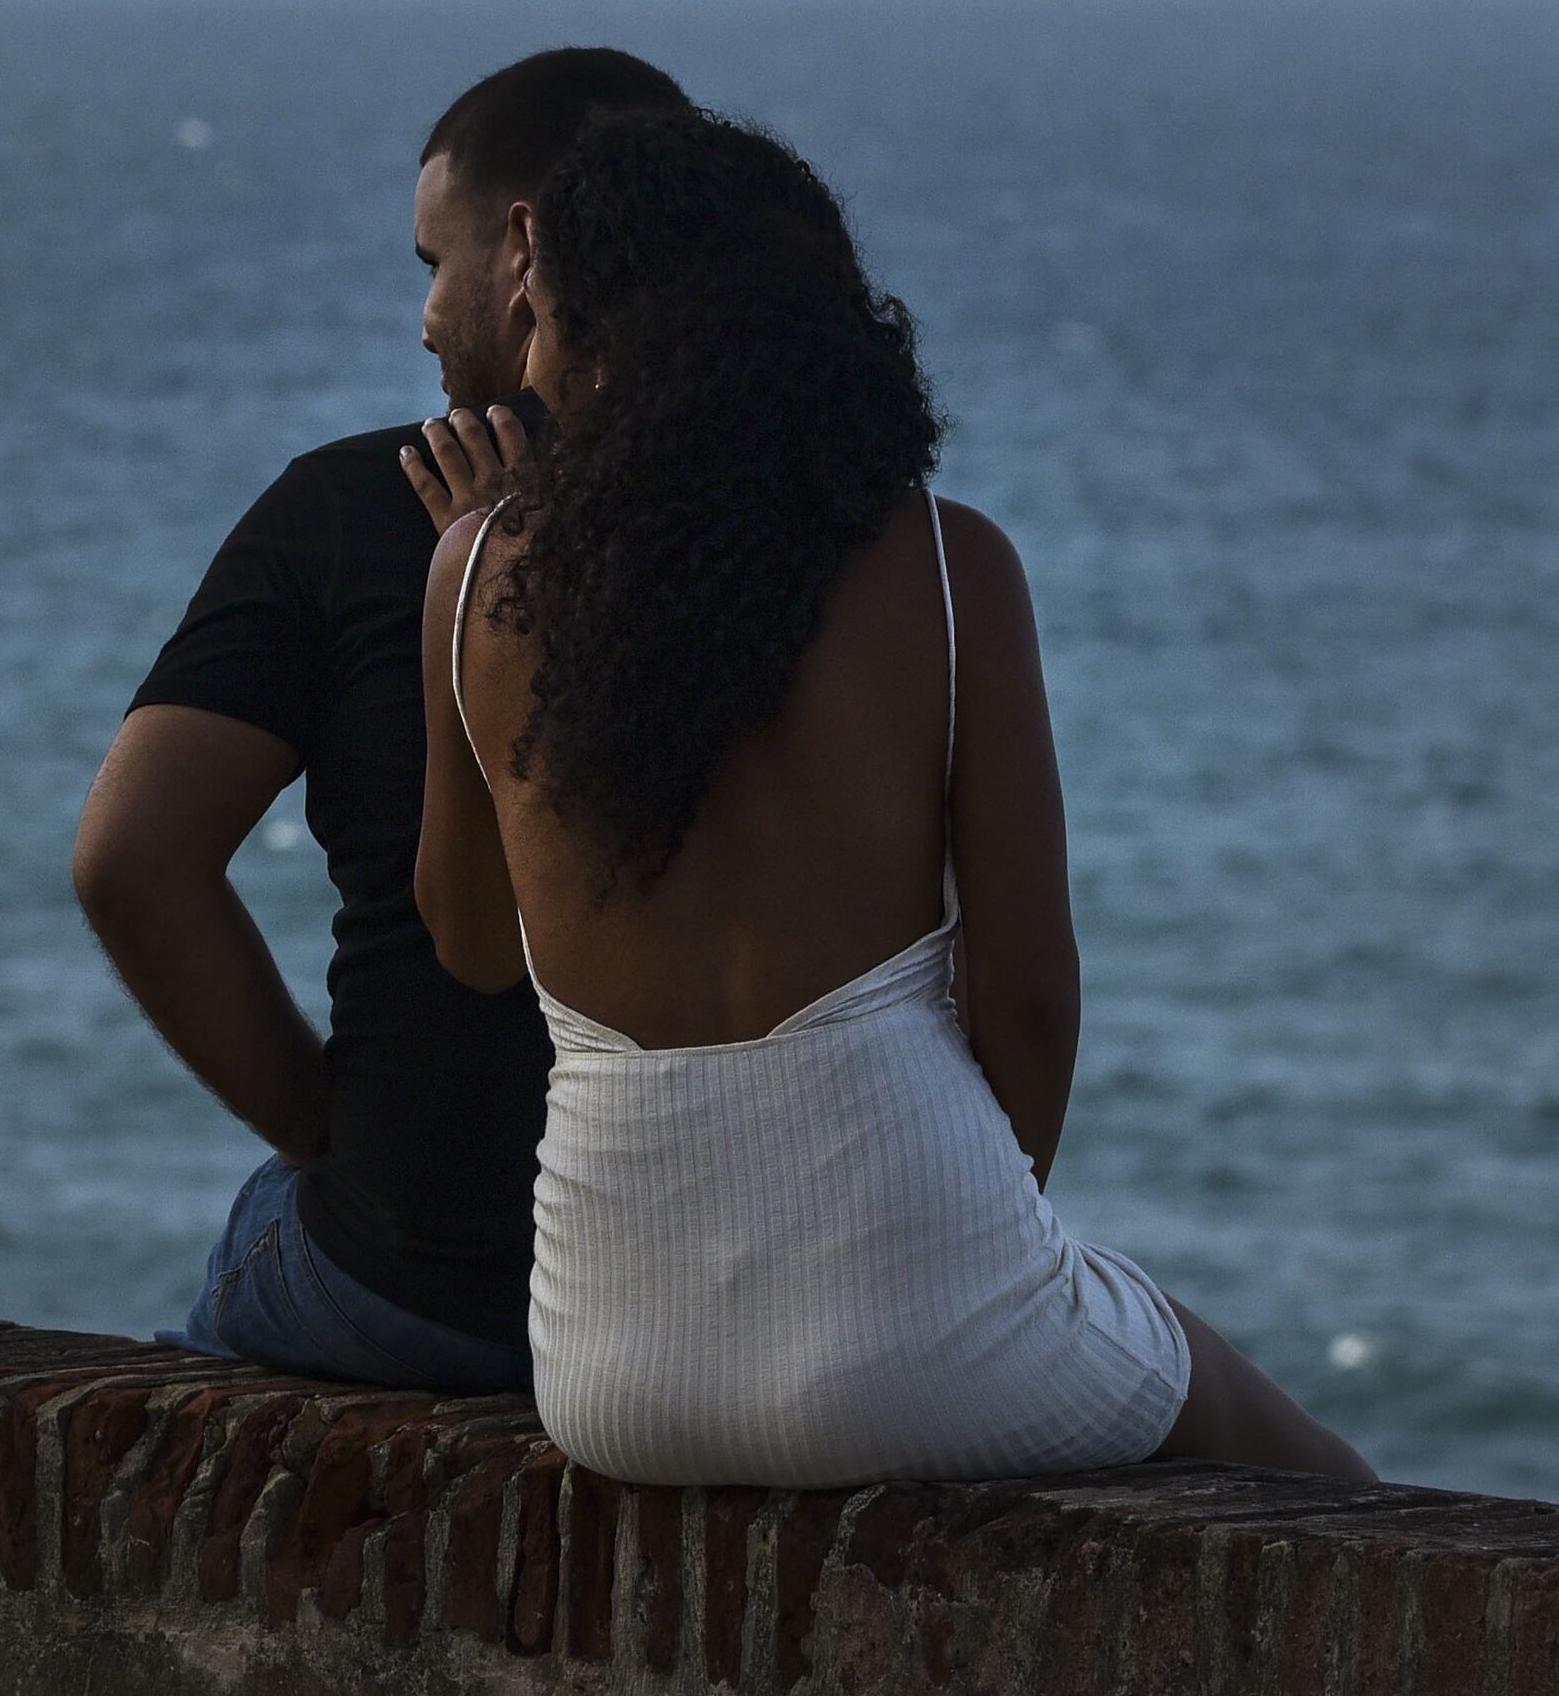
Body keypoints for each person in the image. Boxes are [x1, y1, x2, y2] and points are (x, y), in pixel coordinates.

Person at [406, 107, 1372, 1486]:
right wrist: (959, 1253)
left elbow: (470, 943)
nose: (534, 356)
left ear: (602, 343)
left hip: (612, 1377)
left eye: (548, 319)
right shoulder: (945, 567)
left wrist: (471, 561)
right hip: (924, 1332)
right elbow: (1029, 994)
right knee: (1329, 1490)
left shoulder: (469, 577)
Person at [78, 47, 689, 1396]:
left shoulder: (354, 512)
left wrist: (316, 1121)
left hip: (425, 1288)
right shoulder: (794, 529)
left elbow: (130, 858)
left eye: (434, 258)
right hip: (713, 1293)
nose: (422, 318)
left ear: (522, 251)